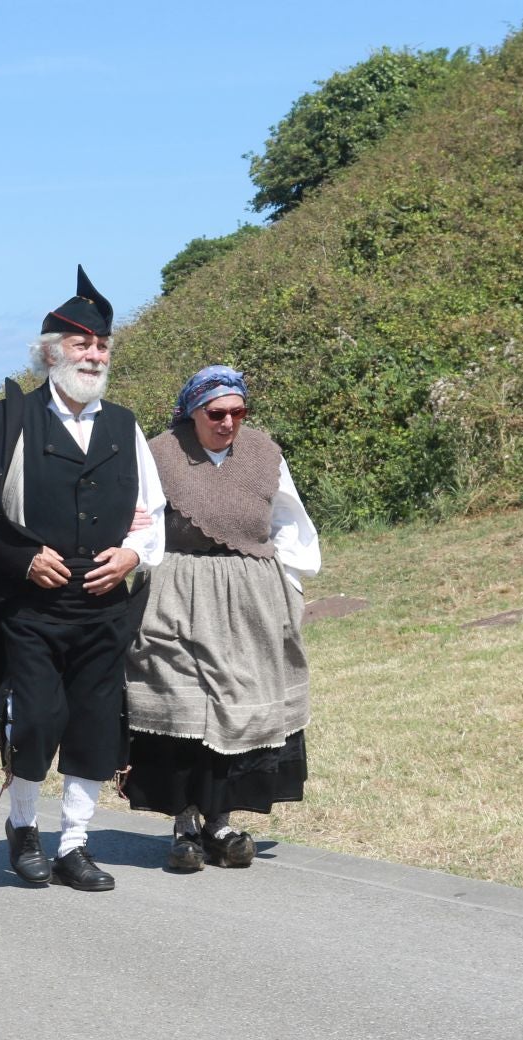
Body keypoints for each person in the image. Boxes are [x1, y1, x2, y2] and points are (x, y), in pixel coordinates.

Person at [0, 268, 166, 892]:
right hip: (30, 608)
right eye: (80, 344)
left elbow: (153, 513)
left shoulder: (125, 426)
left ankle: (75, 843)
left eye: (101, 346)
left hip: (104, 608)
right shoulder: (6, 424)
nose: (93, 355)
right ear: (49, 352)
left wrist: (130, 555)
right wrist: (20, 559)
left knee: (96, 724)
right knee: (37, 719)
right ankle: (23, 828)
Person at [122, 366, 320, 871]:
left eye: (237, 412)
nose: (228, 422)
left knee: (239, 706)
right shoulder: (160, 453)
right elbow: (138, 515)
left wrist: (289, 587)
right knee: (184, 706)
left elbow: (287, 520)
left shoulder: (262, 454)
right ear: (193, 411)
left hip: (251, 595)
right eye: (217, 413)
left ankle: (222, 822)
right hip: (178, 592)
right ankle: (185, 825)